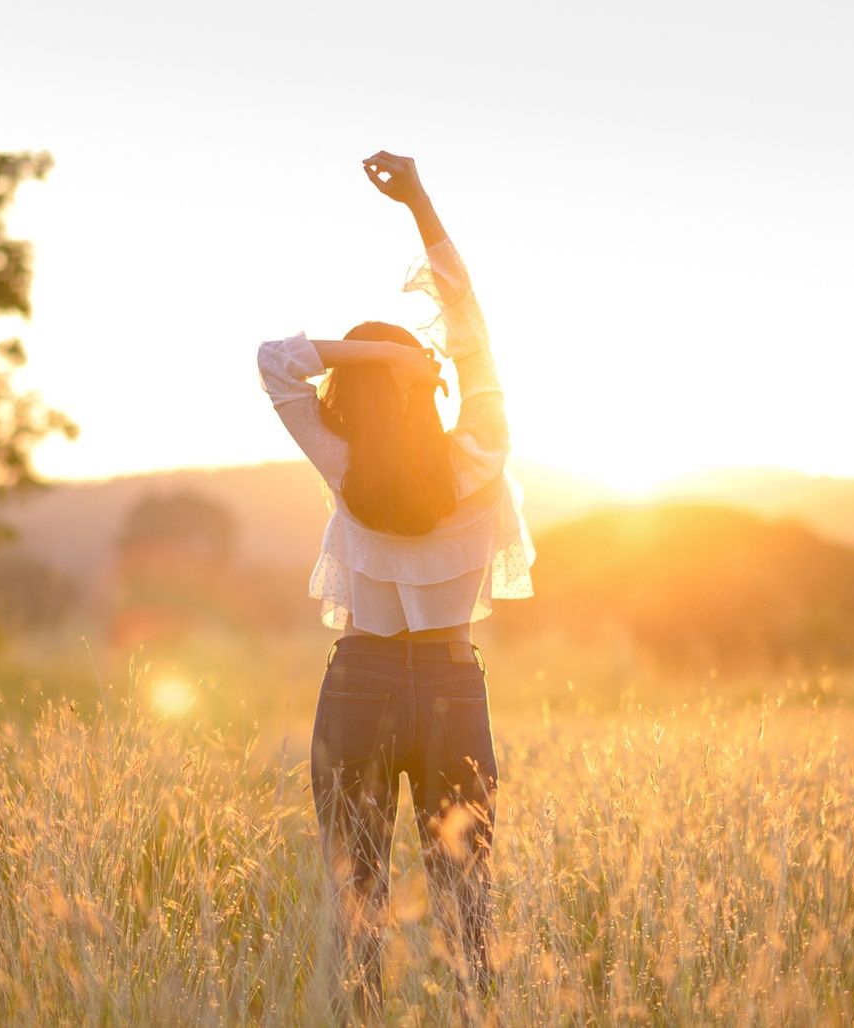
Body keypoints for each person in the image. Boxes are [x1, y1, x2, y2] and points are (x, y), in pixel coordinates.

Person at [257, 151, 535, 1015]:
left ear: (354, 396)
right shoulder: (480, 451)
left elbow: (275, 361)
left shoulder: (343, 462)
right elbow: (470, 325)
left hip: (360, 686)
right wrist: (419, 202)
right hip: (452, 687)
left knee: (357, 913)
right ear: (423, 385)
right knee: (467, 914)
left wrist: (375, 358)